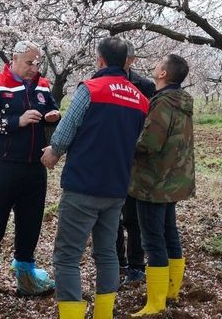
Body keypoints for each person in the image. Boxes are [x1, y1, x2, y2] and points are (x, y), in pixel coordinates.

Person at [40, 37, 150, 319]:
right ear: (127, 61)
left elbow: (65, 132)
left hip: (83, 185)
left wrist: (53, 152)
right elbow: (135, 139)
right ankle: (104, 314)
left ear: (99, 60)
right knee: (107, 253)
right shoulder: (140, 99)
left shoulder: (90, 89)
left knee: (67, 256)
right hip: (116, 188)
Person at [0, 40, 62, 305]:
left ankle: (27, 277)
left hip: (34, 166)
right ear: (14, 58)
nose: (34, 67)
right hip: (3, 164)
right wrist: (14, 122)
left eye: (38, 62)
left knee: (30, 223)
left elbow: (50, 108)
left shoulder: (42, 85)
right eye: (29, 62)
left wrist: (53, 116)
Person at [129, 54, 195, 317]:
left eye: (158, 64)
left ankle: (155, 304)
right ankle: (171, 291)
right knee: (170, 233)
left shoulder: (162, 104)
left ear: (163, 74)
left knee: (153, 240)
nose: (154, 66)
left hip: (153, 182)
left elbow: (150, 144)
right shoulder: (182, 102)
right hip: (174, 180)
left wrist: (125, 146)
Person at [116, 40, 155, 287]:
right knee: (110, 217)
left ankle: (136, 265)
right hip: (109, 159)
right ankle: (116, 261)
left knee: (133, 216)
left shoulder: (145, 86)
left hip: (134, 160)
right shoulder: (97, 83)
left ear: (132, 60)